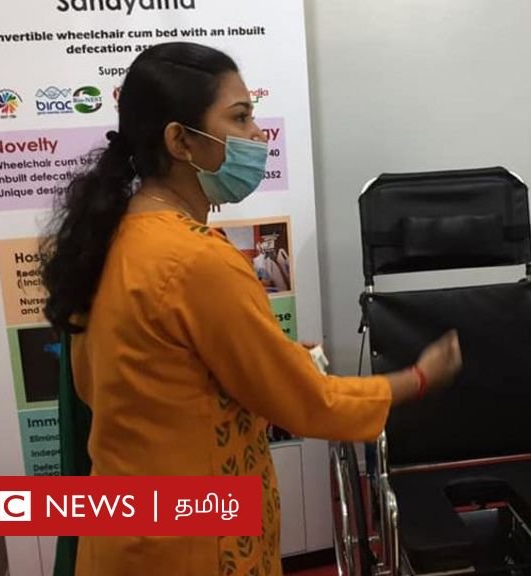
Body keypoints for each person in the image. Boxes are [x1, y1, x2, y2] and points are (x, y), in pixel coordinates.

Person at [40, 41, 462, 576]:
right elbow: (305, 401)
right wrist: (416, 380)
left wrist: (272, 357)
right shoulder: (195, 259)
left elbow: (124, 381)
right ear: (180, 140)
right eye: (240, 117)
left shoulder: (111, 237)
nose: (259, 134)